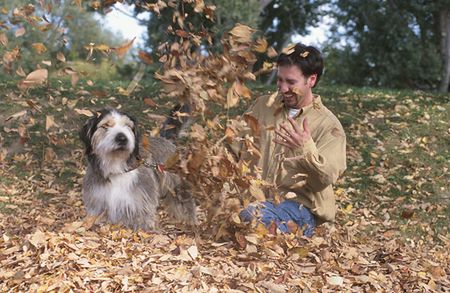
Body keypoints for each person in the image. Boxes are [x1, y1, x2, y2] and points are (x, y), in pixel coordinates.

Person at [235, 43, 347, 237]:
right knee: (242, 216)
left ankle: (286, 238)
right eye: (279, 80)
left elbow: (327, 177)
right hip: (258, 200)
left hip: (299, 209)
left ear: (311, 80)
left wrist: (304, 148)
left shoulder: (329, 125)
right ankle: (270, 236)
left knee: (253, 217)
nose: (283, 88)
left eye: (291, 82)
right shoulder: (263, 105)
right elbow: (237, 146)